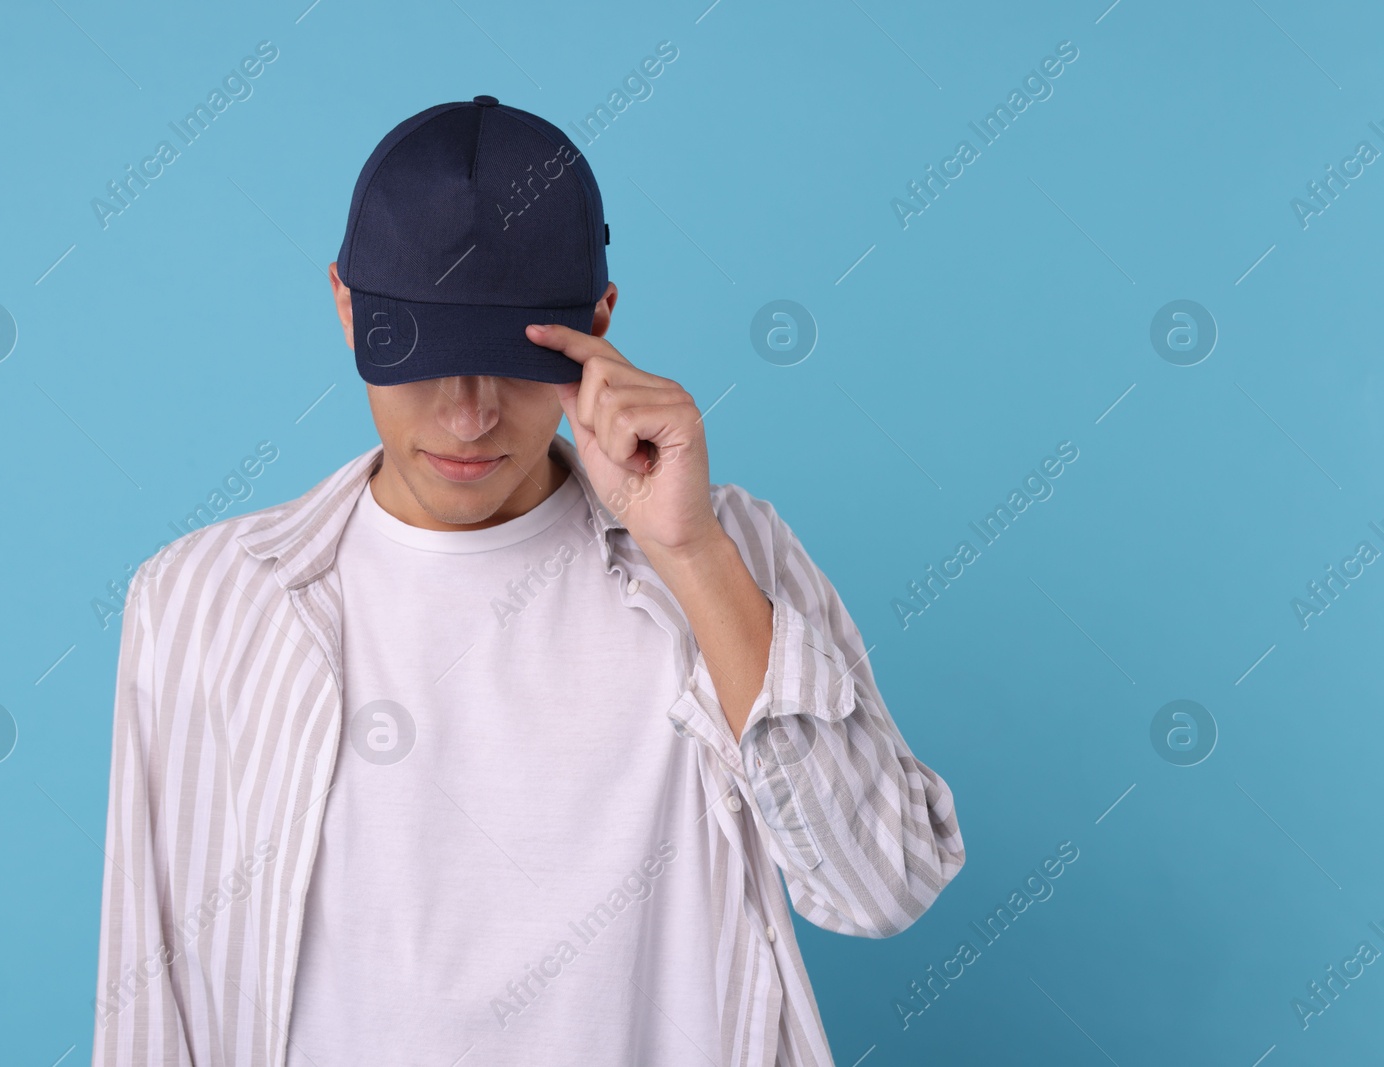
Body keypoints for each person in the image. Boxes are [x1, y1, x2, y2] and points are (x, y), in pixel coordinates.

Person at [91, 95, 964, 1067]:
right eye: (422, 357)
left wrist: (690, 553)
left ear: (598, 324)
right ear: (345, 305)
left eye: (513, 363)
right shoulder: (205, 599)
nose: (467, 417)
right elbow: (149, 997)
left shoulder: (730, 552)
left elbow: (882, 885)